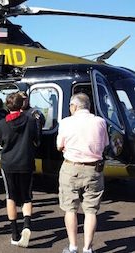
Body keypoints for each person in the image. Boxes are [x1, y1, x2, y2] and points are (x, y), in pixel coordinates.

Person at [57, 93, 108, 253]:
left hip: (71, 168)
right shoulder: (101, 122)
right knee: (91, 210)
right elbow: (105, 144)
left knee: (70, 208)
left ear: (74, 107)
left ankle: (73, 247)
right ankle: (87, 249)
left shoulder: (65, 122)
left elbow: (59, 145)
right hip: (94, 169)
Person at [0, 92, 38, 247]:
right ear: (22, 104)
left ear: (8, 106)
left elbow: (1, 142)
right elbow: (36, 140)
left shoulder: (1, 124)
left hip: (8, 164)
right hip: (26, 163)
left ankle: (15, 233)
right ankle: (26, 225)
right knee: (27, 197)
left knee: (11, 197)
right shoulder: (31, 121)